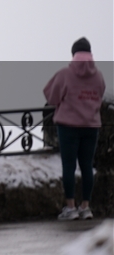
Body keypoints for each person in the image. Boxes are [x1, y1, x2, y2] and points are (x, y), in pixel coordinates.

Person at [44, 37, 106, 221]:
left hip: (68, 126)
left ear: (74, 54)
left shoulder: (65, 74)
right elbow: (101, 94)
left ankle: (71, 208)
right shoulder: (98, 76)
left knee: (69, 166)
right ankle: (86, 207)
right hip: (91, 126)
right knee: (87, 166)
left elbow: (51, 96)